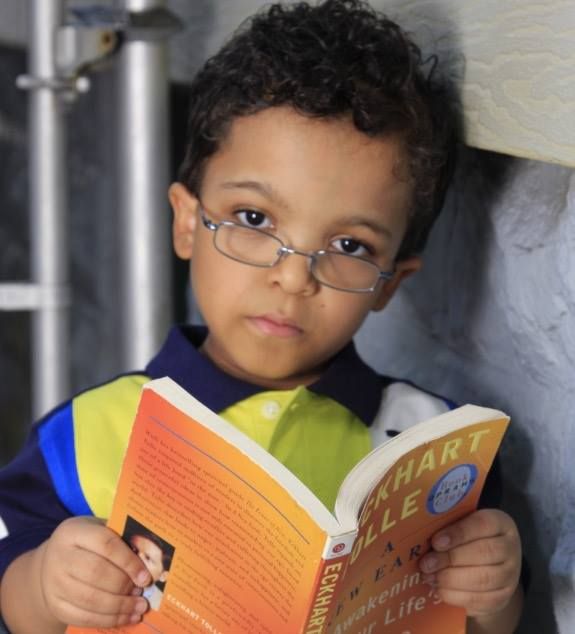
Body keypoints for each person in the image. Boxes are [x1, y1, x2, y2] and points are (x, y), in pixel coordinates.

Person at [0, 1, 523, 633]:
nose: (293, 276)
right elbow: (13, 592)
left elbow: (477, 622)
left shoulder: (430, 446)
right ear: (187, 222)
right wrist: (45, 581)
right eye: (254, 219)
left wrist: (495, 597)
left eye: (351, 246)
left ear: (392, 282)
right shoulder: (84, 434)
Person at [125, 525, 172, 611]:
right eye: (133, 548)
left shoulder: (163, 606)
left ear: (163, 576)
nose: (136, 558)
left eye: (147, 558)